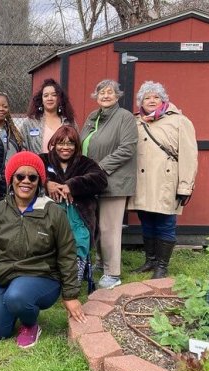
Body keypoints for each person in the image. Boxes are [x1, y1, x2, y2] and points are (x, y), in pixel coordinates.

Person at [0, 151, 86, 348]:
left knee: (17, 296)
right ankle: (14, 309)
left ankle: (30, 324)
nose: (26, 181)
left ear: (39, 181)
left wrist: (70, 295)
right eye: (20, 176)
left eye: (32, 177)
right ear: (11, 179)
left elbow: (67, 254)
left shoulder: (53, 212)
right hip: (4, 274)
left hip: (41, 275)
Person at [128, 81, 197, 279]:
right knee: (147, 221)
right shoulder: (136, 121)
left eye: (156, 97)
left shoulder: (179, 121)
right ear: (140, 101)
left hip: (166, 181)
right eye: (147, 97)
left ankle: (162, 266)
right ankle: (150, 260)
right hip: (142, 182)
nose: (151, 100)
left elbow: (189, 155)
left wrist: (185, 186)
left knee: (166, 222)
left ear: (163, 100)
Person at [80, 79, 137, 289]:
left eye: (110, 92)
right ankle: (101, 263)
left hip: (114, 181)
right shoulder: (93, 117)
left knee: (109, 227)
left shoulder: (125, 118)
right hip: (93, 180)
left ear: (117, 96)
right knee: (96, 226)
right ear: (96, 96)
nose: (105, 96)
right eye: (101, 92)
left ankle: (113, 273)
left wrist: (100, 168)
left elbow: (127, 149)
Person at [40, 126, 108, 293]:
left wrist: (73, 185)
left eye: (70, 144)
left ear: (76, 146)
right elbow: (28, 172)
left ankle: (74, 278)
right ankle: (52, 279)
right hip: (49, 213)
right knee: (51, 242)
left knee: (79, 239)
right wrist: (46, 183)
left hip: (78, 213)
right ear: (54, 144)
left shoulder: (85, 163)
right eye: (61, 143)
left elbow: (100, 180)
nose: (65, 148)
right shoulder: (43, 160)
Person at [21, 78, 76, 154]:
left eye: (54, 95)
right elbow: (22, 148)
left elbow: (77, 147)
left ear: (59, 98)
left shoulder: (69, 122)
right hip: (37, 165)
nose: (49, 98)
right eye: (46, 95)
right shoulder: (30, 122)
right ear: (41, 99)